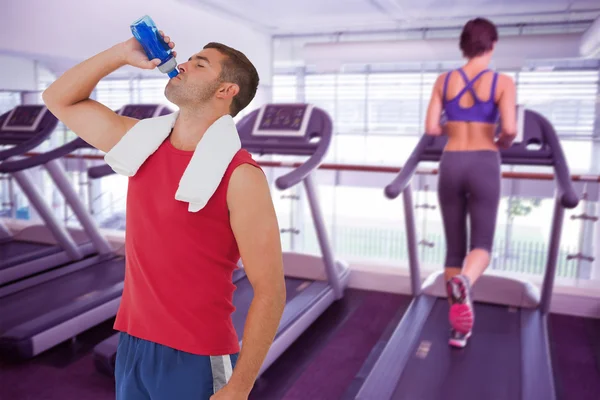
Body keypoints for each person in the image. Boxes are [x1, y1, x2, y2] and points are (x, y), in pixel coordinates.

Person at [42, 31, 286, 399]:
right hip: (134, 342)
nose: (183, 64)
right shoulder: (140, 142)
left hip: (197, 353)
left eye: (199, 63)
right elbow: (57, 98)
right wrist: (122, 53)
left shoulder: (241, 177)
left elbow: (270, 291)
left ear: (226, 90)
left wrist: (240, 386)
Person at [424, 17, 517, 348]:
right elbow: (510, 129)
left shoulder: (443, 80)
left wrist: (456, 124)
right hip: (484, 162)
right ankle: (465, 280)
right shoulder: (503, 82)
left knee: (453, 248)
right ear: (492, 45)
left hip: (451, 162)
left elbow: (432, 128)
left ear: (464, 46)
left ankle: (458, 329)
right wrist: (501, 141)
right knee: (482, 245)